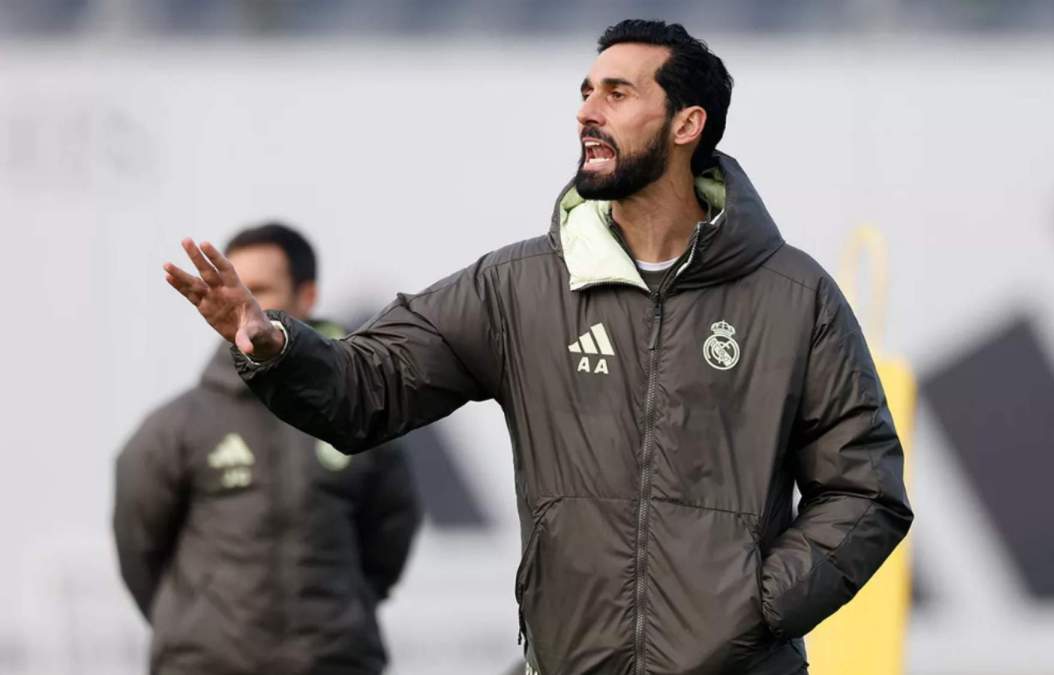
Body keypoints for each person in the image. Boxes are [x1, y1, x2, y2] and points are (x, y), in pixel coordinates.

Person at [163, 20, 912, 675]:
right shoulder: (517, 286)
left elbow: (865, 488)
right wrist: (272, 344)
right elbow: (367, 388)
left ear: (687, 124)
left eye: (617, 93)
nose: (587, 111)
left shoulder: (792, 294)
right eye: (586, 91)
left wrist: (753, 606)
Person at [116, 223, 421, 675]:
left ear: (308, 296)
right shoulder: (176, 428)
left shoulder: (360, 412)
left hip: (335, 662)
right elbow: (140, 550)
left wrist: (340, 612)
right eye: (231, 285)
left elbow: (390, 532)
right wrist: (198, 628)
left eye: (258, 289)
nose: (240, 302)